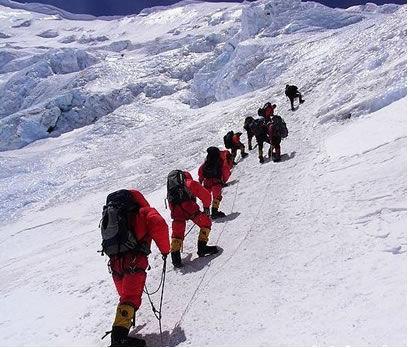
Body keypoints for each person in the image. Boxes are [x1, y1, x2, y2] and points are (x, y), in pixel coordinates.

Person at [101, 189, 170, 347]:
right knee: (130, 298)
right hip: (134, 260)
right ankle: (119, 339)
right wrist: (166, 250)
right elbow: (159, 225)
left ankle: (123, 325)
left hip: (115, 262)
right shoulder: (143, 212)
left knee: (126, 297)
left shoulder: (114, 215)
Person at [167, 170, 218, 268]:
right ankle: (202, 248)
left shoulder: (171, 189)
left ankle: (175, 258)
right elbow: (205, 195)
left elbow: (171, 203)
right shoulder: (189, 183)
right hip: (190, 209)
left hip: (176, 211)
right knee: (206, 223)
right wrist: (206, 207)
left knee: (177, 232)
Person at [198, 147, 231, 219]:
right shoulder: (220, 161)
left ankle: (206, 212)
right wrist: (223, 181)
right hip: (217, 182)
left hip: (207, 182)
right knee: (217, 197)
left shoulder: (206, 162)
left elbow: (200, 171)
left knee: (206, 197)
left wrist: (200, 180)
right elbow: (225, 171)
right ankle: (214, 212)